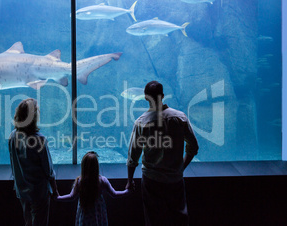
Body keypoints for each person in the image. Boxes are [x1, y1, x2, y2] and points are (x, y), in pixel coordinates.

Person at [126, 81, 199, 226]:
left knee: (153, 219)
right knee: (179, 218)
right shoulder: (180, 118)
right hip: (175, 179)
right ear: (163, 96)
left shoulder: (141, 122)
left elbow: (133, 156)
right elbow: (193, 147)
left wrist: (129, 180)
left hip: (151, 179)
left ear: (145, 97)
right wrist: (181, 168)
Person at [8, 98, 59, 226]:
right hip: (39, 191)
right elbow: (48, 170)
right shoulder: (39, 139)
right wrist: (55, 190)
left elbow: (13, 163)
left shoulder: (12, 136)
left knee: (28, 221)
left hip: (22, 189)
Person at [56, 151, 130, 226]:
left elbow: (71, 196)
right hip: (98, 214)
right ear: (96, 166)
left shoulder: (79, 181)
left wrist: (58, 197)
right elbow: (114, 194)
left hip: (85, 215)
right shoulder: (102, 180)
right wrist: (127, 191)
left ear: (83, 166)